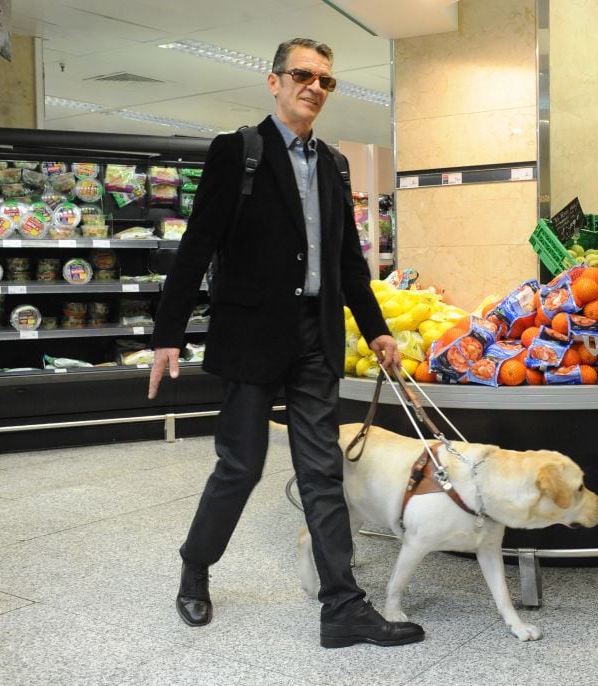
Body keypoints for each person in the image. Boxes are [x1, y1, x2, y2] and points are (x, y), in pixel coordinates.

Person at [147, 37, 424, 649]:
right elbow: (196, 245)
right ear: (274, 81)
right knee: (241, 465)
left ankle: (343, 609)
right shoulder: (237, 152)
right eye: (303, 75)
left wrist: (376, 328)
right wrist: (168, 334)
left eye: (326, 80)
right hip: (250, 335)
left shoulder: (333, 164)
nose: (315, 88)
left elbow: (349, 260)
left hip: (314, 335)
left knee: (322, 471)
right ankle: (196, 566)